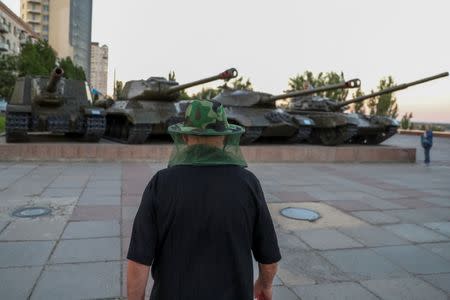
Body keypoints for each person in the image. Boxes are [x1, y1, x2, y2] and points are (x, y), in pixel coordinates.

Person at [127, 100, 281, 300]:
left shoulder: (160, 184)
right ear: (225, 139)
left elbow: (138, 262)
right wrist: (264, 285)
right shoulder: (248, 184)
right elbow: (269, 259)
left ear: (184, 136)